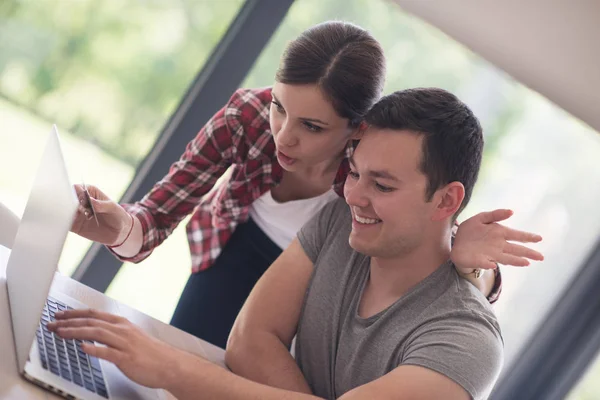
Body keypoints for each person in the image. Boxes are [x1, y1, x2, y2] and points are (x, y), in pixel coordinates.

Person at [49, 87, 542, 399]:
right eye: (355, 173)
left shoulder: (465, 345)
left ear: (446, 200)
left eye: (383, 185)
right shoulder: (340, 223)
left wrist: (169, 368)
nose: (354, 195)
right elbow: (249, 339)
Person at [71, 21, 537, 349]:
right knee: (177, 363)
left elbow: (453, 261)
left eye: (312, 126)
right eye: (279, 106)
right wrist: (117, 226)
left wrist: (479, 267)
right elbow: (152, 220)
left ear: (357, 130)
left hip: (313, 291)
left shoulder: (371, 175)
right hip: (229, 254)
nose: (284, 135)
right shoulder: (245, 119)